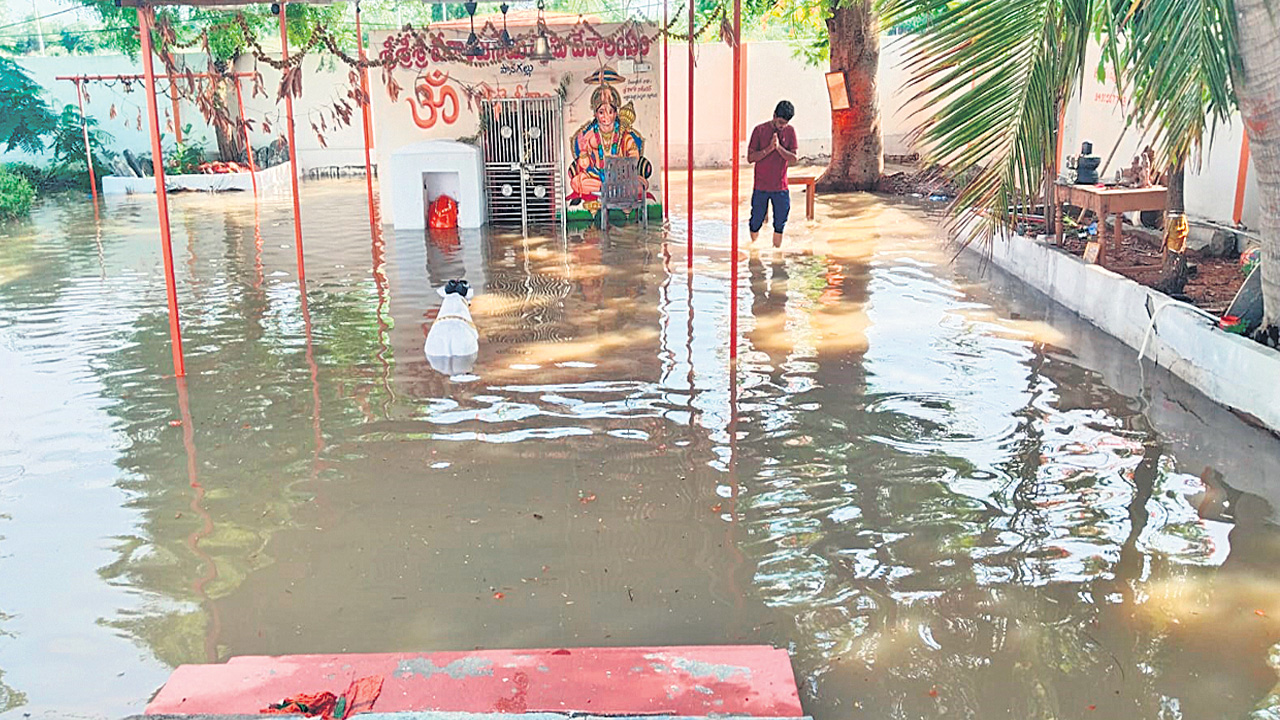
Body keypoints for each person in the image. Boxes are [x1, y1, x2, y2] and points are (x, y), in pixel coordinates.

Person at [746, 100, 799, 247]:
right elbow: (750, 158)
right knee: (756, 220)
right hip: (761, 185)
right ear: (774, 116)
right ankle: (754, 248)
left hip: (780, 187)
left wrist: (779, 148)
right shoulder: (759, 130)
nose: (782, 126)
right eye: (780, 122)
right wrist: (769, 149)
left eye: (785, 123)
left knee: (780, 222)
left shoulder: (790, 131)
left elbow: (794, 159)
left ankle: (777, 253)